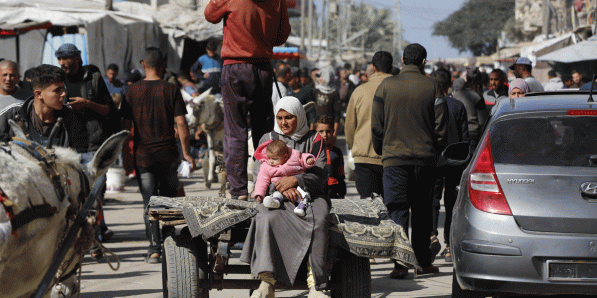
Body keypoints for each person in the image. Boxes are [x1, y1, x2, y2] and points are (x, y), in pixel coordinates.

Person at [371, 43, 448, 279]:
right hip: (425, 161)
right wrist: (437, 150)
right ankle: (424, 262)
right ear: (424, 62)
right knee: (423, 213)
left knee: (397, 211)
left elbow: (376, 126)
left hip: (394, 161)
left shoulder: (386, 86)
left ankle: (400, 265)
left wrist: (382, 150)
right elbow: (442, 127)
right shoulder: (433, 86)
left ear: (402, 60)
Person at [241, 96, 328, 298]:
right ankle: (267, 282)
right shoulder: (267, 139)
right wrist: (279, 185)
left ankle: (314, 284)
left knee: (320, 220)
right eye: (279, 117)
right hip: (275, 195)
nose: (283, 122)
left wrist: (296, 180)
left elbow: (320, 174)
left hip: (310, 195)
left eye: (288, 117)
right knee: (265, 217)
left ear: (299, 116)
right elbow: (259, 173)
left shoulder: (315, 139)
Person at [205, 0, 291, 201]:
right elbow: (281, 36)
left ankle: (239, 190)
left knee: (236, 132)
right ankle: (267, 185)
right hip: (262, 69)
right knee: (264, 132)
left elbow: (210, 14)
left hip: (235, 67)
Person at [120, 47, 195, 263]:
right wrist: (187, 153)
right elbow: (181, 123)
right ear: (163, 65)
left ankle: (154, 249)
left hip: (143, 157)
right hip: (168, 156)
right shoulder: (171, 90)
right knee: (169, 201)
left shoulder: (131, 91)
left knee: (149, 202)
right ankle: (169, 242)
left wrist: (126, 157)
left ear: (143, 64)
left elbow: (125, 128)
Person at [56, 43, 120, 246]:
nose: (63, 66)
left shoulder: (92, 78)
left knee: (95, 192)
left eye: (67, 62)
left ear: (77, 59)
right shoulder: (58, 81)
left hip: (94, 145)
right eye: (60, 62)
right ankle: (93, 232)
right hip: (69, 148)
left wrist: (86, 103)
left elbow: (108, 110)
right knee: (76, 193)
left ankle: (95, 234)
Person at [431, 68, 469, 263]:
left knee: (433, 200)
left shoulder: (428, 105)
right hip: (454, 161)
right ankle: (448, 246)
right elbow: (465, 139)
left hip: (434, 160)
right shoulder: (459, 106)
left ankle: (431, 236)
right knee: (452, 203)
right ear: (449, 85)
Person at [345, 50, 393, 199]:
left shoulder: (359, 91)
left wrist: (355, 147)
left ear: (373, 68)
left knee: (369, 208)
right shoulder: (399, 90)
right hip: (393, 158)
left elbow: (350, 126)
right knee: (391, 207)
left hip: (364, 158)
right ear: (391, 68)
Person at [0, 64, 82, 147]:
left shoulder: (71, 116)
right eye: (57, 90)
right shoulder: (13, 114)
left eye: (63, 89)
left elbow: (79, 154)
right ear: (38, 94)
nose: (64, 94)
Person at [252, 139, 315, 216]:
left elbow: (303, 157)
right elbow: (262, 180)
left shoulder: (294, 156)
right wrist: (259, 193)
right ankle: (275, 201)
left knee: (304, 193)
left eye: (274, 159)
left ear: (285, 157)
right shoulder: (266, 166)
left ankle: (301, 206)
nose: (271, 161)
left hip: (297, 184)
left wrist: (308, 160)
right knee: (276, 194)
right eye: (269, 158)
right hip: (280, 187)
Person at [314, 115, 346, 199]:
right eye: (321, 131)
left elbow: (341, 175)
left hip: (333, 192)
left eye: (328, 131)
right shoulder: (311, 152)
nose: (325, 135)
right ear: (315, 132)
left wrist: (342, 193)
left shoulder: (337, 152)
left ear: (333, 132)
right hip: (317, 192)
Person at [452, 70, 485, 148]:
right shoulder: (475, 95)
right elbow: (482, 119)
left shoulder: (455, 96)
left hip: (460, 132)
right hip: (474, 131)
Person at [312, 68, 341, 135]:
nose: (320, 79)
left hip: (329, 127)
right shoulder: (316, 90)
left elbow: (337, 113)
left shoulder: (334, 92)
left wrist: (335, 132)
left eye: (322, 77)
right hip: (317, 126)